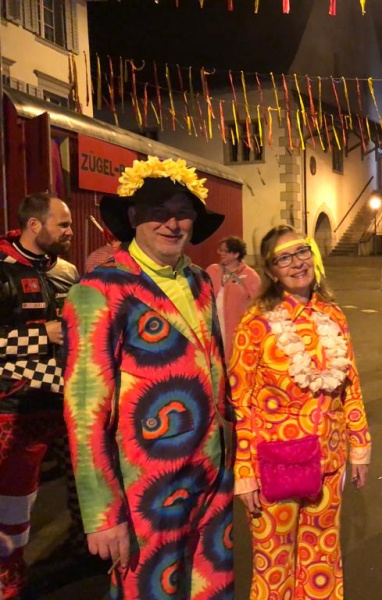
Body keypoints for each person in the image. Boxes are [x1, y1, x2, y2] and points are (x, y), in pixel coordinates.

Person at [62, 156, 234, 598]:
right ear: (134, 216)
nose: (172, 223)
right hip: (147, 491)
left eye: (183, 213)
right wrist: (103, 514)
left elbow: (216, 370)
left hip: (212, 475)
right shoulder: (98, 291)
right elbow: (84, 412)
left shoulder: (200, 280)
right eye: (159, 211)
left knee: (211, 588)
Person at [229, 225, 371, 600]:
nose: (297, 263)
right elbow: (240, 401)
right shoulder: (255, 323)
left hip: (330, 459)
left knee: (322, 561)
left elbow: (351, 385)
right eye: (284, 258)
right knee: (273, 569)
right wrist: (244, 473)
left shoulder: (333, 315)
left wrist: (359, 447)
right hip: (276, 464)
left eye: (302, 252)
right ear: (271, 271)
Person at [0, 193, 78, 598]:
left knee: (82, 483)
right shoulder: (2, 269)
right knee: (15, 499)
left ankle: (84, 547)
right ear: (34, 225)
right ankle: (8, 576)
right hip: (15, 405)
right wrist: (41, 335)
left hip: (66, 399)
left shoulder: (67, 271)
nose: (70, 231)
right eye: (63, 224)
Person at [207, 235, 261, 361]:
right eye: (220, 250)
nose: (221, 254)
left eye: (225, 251)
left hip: (236, 329)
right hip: (213, 326)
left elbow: (259, 305)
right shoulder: (212, 270)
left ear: (236, 254)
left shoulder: (250, 275)